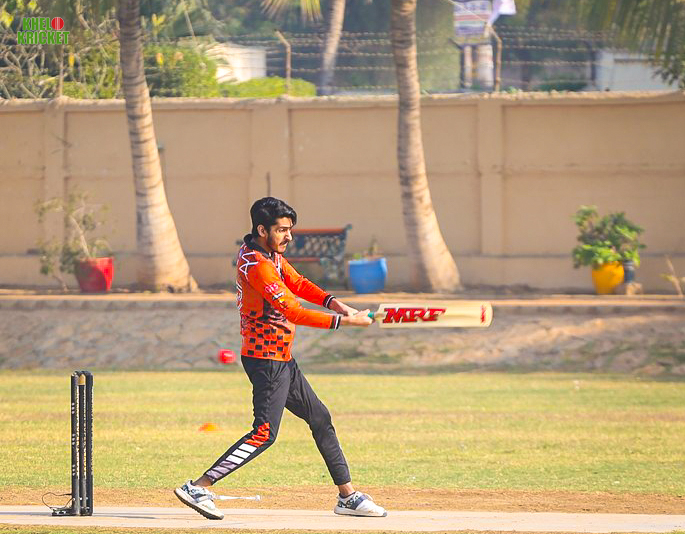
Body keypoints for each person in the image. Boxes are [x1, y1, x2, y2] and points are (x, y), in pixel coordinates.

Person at [174, 197, 387, 520]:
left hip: (281, 357)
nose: (289, 236)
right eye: (282, 230)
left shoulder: (267, 254)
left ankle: (348, 497)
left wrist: (336, 304)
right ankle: (198, 487)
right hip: (266, 360)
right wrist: (345, 322)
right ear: (262, 230)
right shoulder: (258, 265)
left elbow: (298, 283)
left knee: (320, 418)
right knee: (264, 434)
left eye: (290, 229)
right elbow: (293, 311)